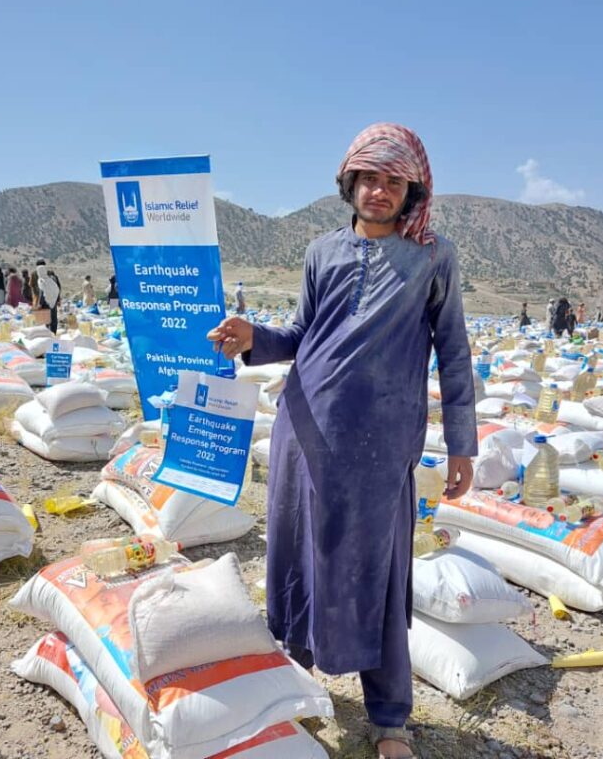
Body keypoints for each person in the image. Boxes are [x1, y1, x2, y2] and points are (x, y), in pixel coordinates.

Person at [207, 123, 476, 759]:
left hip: (382, 445)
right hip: (304, 432)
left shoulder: (433, 256)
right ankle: (295, 692)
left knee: (377, 571)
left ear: (411, 190)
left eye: (392, 181)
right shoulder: (322, 252)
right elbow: (303, 335)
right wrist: (254, 339)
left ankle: (388, 720)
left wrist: (462, 443)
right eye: (368, 178)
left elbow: (455, 352)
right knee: (298, 561)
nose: (378, 191)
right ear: (349, 183)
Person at [36, 260, 61, 333]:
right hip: (53, 302)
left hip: (46, 303)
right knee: (53, 319)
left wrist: (40, 304)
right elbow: (57, 289)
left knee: (46, 321)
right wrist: (56, 299)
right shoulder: (50, 280)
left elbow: (42, 293)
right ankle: (53, 334)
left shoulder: (41, 281)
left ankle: (48, 335)